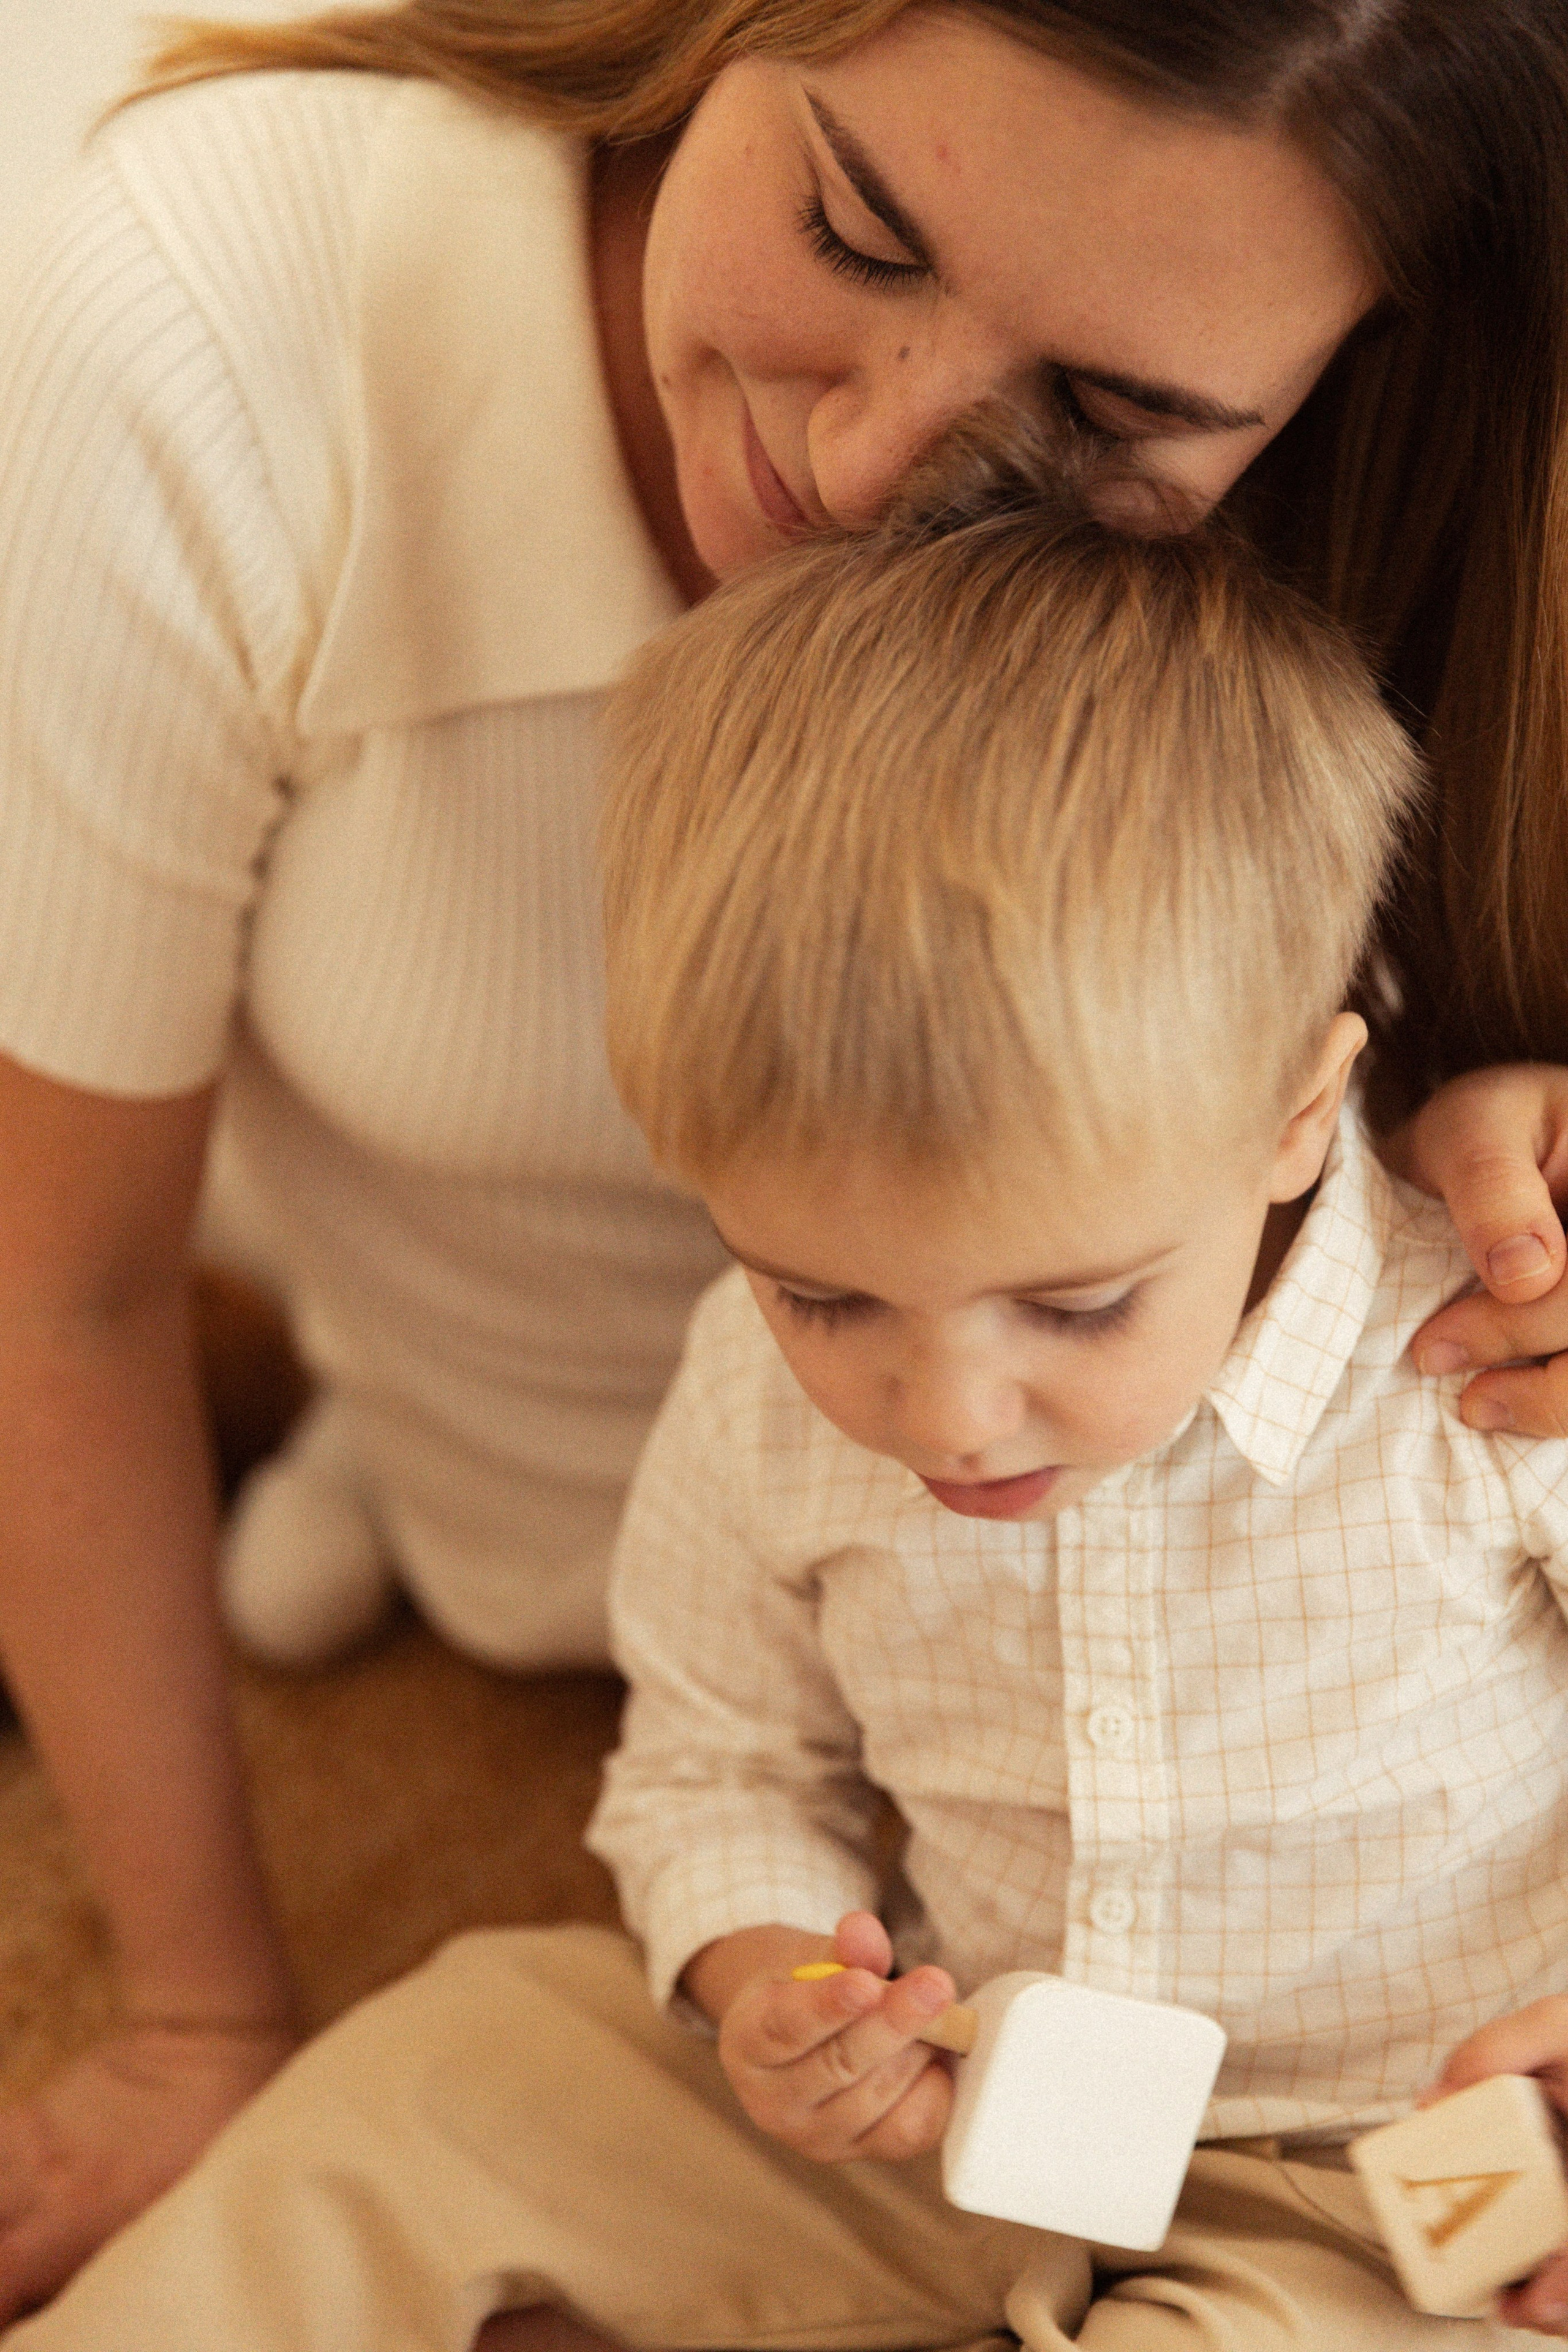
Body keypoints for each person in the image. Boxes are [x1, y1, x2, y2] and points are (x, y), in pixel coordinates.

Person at [1, 0, 1567, 2318]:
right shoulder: (199, 325)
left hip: (1409, 2142)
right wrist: (745, 1979)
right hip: (929, 2085)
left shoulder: (1456, 1347)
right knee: (438, 2073)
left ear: (1288, 1107)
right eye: (853, 225)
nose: (871, 461)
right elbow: (709, 1743)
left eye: (1123, 409)